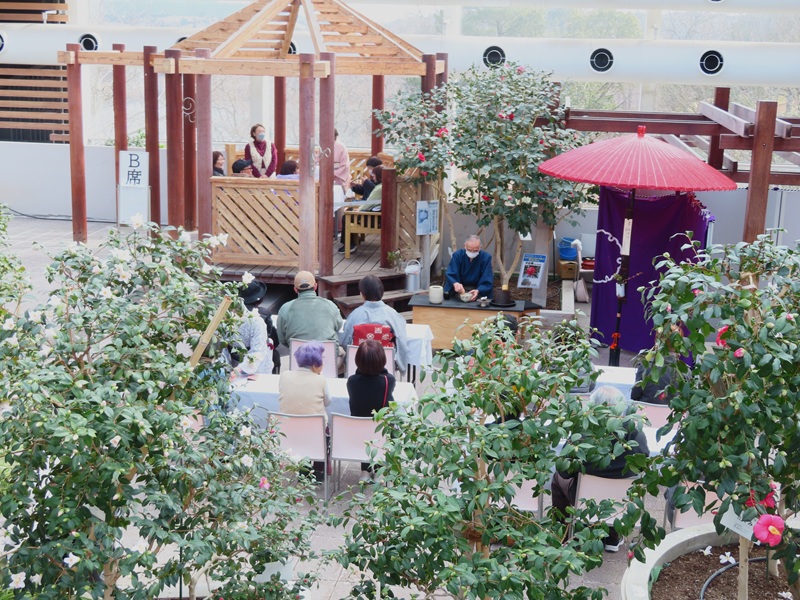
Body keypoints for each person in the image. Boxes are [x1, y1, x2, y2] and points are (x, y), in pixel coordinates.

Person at [550, 386, 650, 553]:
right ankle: (612, 535)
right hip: (623, 500)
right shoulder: (636, 433)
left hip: (584, 498)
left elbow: (564, 471)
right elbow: (643, 465)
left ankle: (565, 534)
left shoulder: (582, 433)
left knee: (557, 478)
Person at [279, 342, 331, 481]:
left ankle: (304, 467)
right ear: (315, 364)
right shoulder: (320, 379)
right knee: (324, 428)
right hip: (315, 431)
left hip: (288, 429)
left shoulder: (285, 376)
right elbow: (327, 402)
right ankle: (318, 470)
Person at [340, 275, 409, 375]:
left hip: (358, 365)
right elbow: (402, 341)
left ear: (362, 294)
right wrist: (401, 366)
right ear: (382, 292)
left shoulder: (354, 315)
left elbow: (346, 342)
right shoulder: (393, 315)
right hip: (385, 364)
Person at [347, 339, 396, 479]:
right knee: (382, 428)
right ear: (382, 361)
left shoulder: (352, 381)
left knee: (364, 427)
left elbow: (358, 376)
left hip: (358, 432)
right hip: (382, 431)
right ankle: (380, 470)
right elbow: (386, 375)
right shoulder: (388, 381)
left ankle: (365, 471)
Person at [277, 271, 344, 368]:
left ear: (295, 289)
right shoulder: (330, 305)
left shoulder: (285, 309)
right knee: (342, 353)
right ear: (315, 286)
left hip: (299, 362)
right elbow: (338, 326)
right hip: (326, 361)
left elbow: (282, 339)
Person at [231, 281, 274, 375]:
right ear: (260, 300)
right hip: (255, 364)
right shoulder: (258, 319)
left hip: (231, 362)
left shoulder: (229, 315)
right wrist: (240, 369)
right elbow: (258, 349)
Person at [338, 166, 383, 255]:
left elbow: (368, 204)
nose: (373, 178)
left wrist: (359, 209)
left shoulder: (379, 188)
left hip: (372, 219)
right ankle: (352, 241)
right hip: (377, 216)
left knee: (346, 216)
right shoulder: (383, 185)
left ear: (378, 176)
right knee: (350, 211)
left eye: (374, 176)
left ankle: (349, 245)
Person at [444, 234, 494, 301]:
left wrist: (478, 290)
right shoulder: (457, 255)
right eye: (469, 250)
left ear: (480, 247)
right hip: (459, 289)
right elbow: (451, 272)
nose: (472, 252)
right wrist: (455, 283)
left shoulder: (486, 258)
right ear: (464, 246)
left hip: (477, 289)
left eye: (475, 250)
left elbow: (487, 278)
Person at [333, 128, 351, 193]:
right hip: (326, 175)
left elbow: (345, 164)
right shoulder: (323, 146)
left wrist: (334, 174)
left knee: (338, 193)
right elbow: (318, 161)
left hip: (339, 176)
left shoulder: (342, 147)